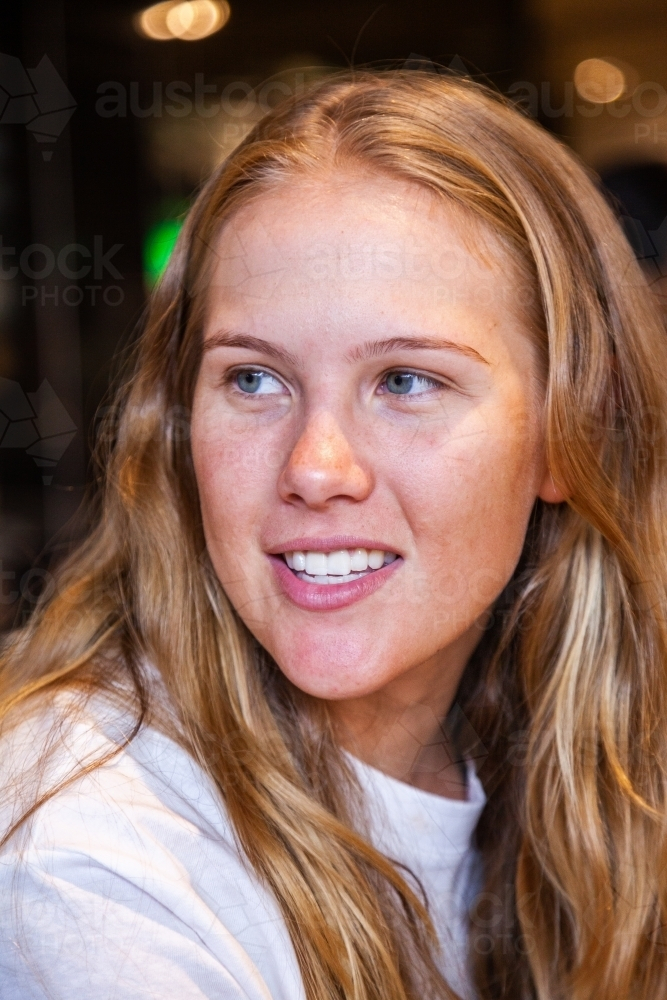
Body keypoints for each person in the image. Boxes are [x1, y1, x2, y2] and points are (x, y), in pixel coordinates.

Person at [1, 70, 666, 1000]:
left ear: (570, 432)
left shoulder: (582, 772)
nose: (314, 468)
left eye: (404, 381)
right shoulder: (87, 855)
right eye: (253, 380)